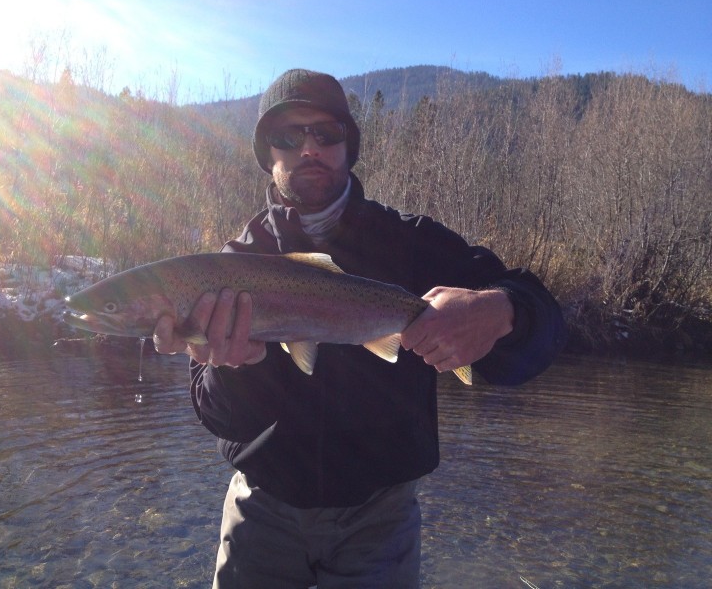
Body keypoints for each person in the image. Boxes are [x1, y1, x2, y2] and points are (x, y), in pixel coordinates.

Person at [153, 69, 566, 588]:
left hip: (380, 519)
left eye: (327, 133)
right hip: (262, 513)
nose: (309, 148)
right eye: (288, 136)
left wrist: (501, 309)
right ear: (268, 154)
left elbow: (546, 325)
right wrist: (234, 367)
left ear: (350, 146)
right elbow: (218, 416)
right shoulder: (230, 266)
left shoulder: (412, 245)